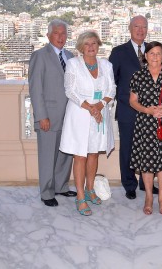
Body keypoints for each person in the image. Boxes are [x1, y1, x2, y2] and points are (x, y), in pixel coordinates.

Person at [59, 31, 116, 216]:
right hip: (80, 114)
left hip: (99, 114)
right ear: (81, 47)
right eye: (87, 44)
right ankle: (80, 196)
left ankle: (90, 189)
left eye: (94, 43)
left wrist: (99, 106)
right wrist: (90, 108)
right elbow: (70, 90)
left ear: (98, 45)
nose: (91, 47)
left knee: (93, 154)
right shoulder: (73, 64)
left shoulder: (106, 65)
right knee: (80, 156)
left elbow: (112, 89)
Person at [129, 41, 162, 214]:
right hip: (145, 124)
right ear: (145, 56)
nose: (155, 56)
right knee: (146, 163)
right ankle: (148, 197)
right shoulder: (138, 75)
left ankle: (161, 197)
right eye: (151, 53)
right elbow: (132, 101)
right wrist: (147, 110)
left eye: (158, 53)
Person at [109, 15, 158, 199]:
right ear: (130, 28)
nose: (140, 30)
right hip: (127, 110)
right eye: (137, 26)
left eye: (144, 27)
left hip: (150, 111)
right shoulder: (118, 52)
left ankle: (146, 183)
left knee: (148, 148)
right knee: (128, 148)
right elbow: (111, 80)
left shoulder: (154, 51)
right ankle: (129, 184)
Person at [29, 19, 76, 207]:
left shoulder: (71, 56)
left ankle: (61, 186)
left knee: (66, 153)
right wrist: (41, 116)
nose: (60, 37)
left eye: (63, 33)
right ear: (48, 35)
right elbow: (35, 88)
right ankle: (47, 192)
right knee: (48, 155)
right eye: (56, 33)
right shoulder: (39, 56)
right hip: (49, 115)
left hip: (70, 115)